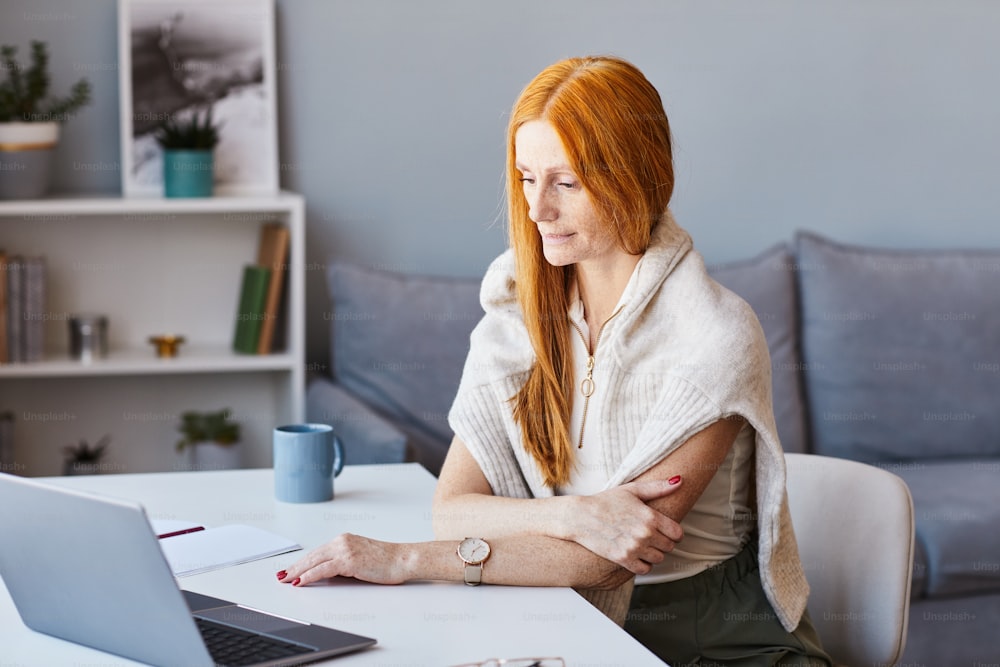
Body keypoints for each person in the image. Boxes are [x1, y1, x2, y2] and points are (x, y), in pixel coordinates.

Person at [278, 55, 831, 666]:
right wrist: (575, 513)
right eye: (525, 178)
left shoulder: (715, 336)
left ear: (637, 177)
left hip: (712, 638)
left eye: (566, 182)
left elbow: (610, 557)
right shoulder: (514, 315)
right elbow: (453, 510)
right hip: (559, 611)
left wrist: (403, 560)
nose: (538, 209)